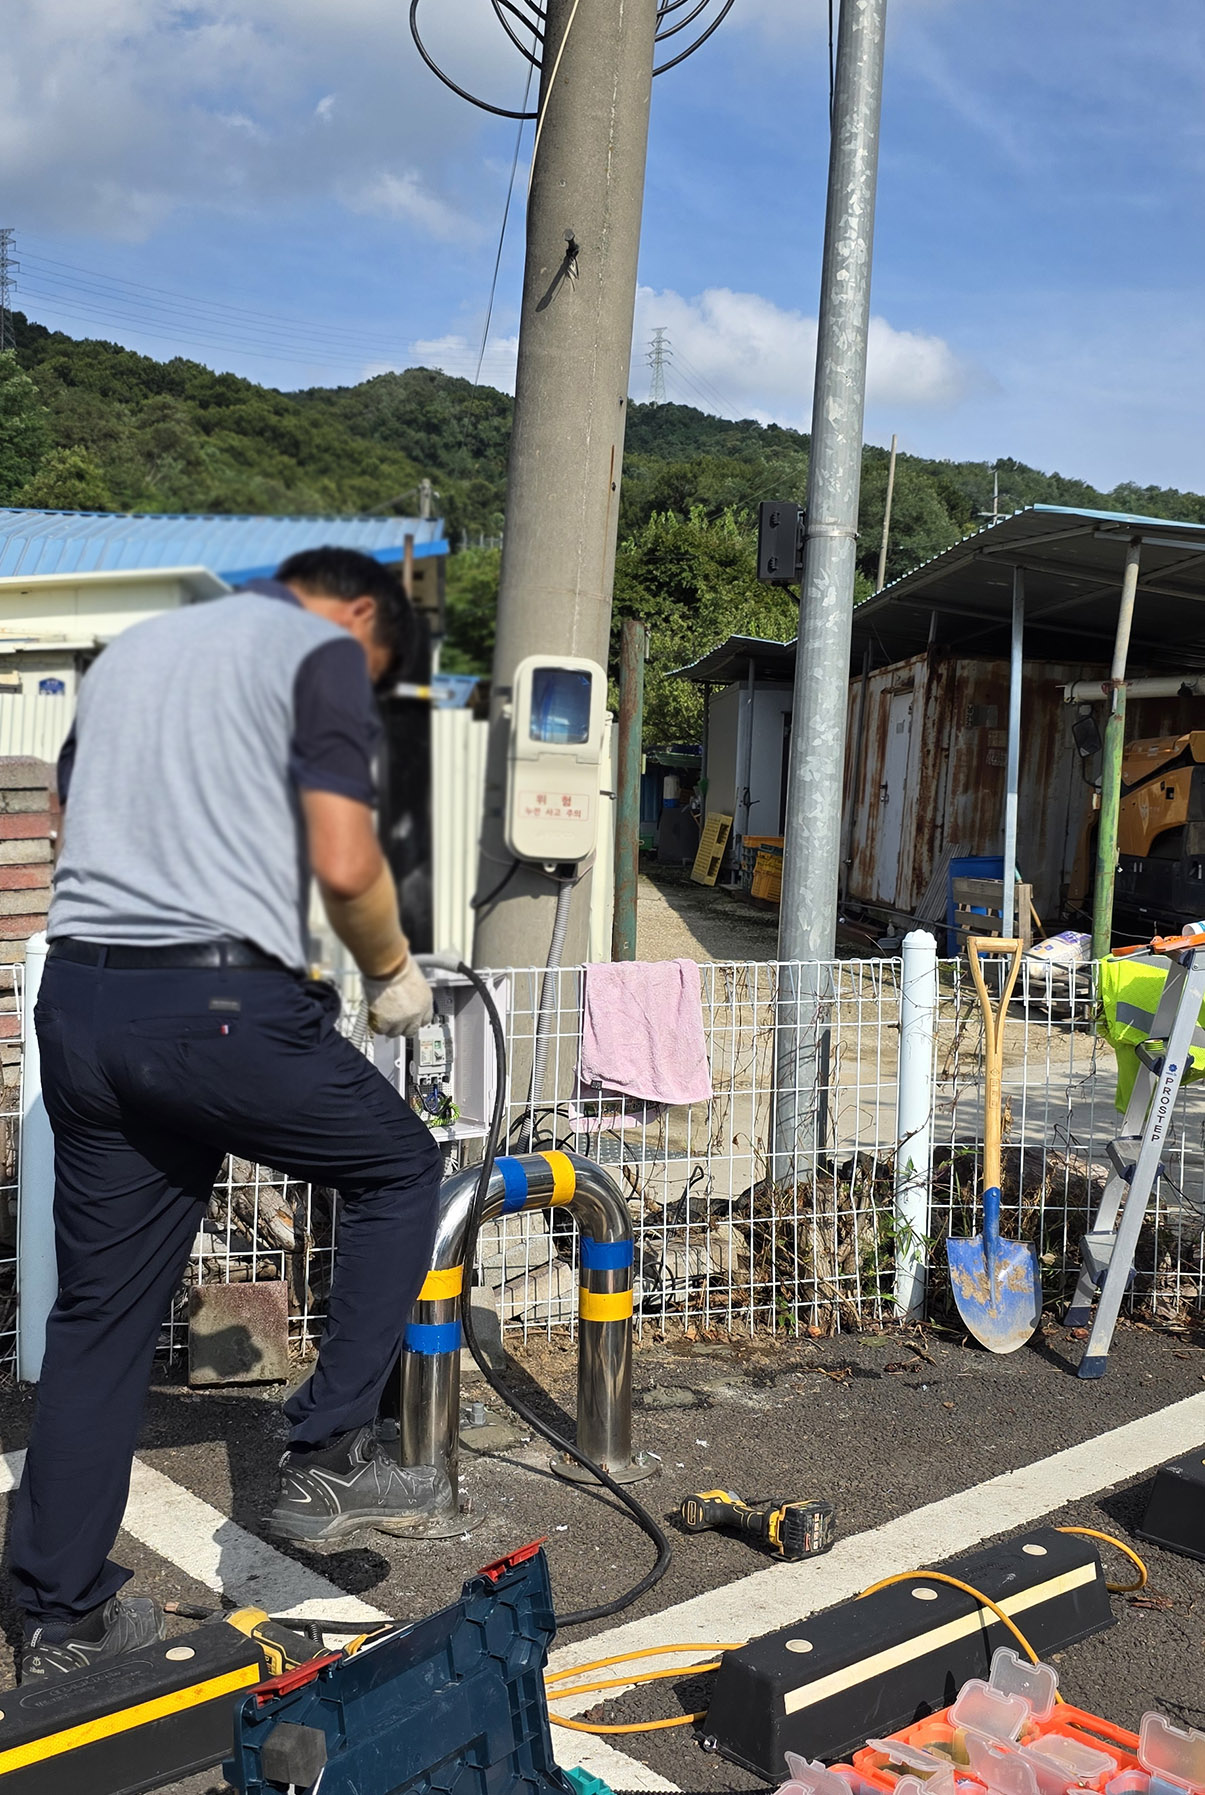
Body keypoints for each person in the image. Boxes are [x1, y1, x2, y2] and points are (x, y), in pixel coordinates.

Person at [8, 547, 449, 1682]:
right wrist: (391, 973)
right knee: (399, 1167)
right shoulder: (317, 648)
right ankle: (333, 1449)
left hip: (80, 1001)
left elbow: (68, 819)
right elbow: (343, 857)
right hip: (212, 1006)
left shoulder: (131, 654)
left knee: (100, 1321)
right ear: (360, 613)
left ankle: (58, 1619)